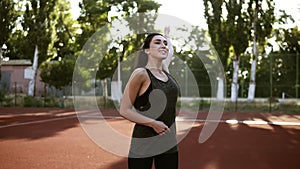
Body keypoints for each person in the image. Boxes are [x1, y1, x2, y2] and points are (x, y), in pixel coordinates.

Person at [120, 27, 180, 169]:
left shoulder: (165, 71)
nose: (163, 46)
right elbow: (124, 110)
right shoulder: (141, 74)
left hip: (168, 142)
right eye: (158, 42)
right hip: (143, 143)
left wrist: (167, 36)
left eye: (165, 43)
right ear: (147, 50)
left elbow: (170, 50)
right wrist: (153, 123)